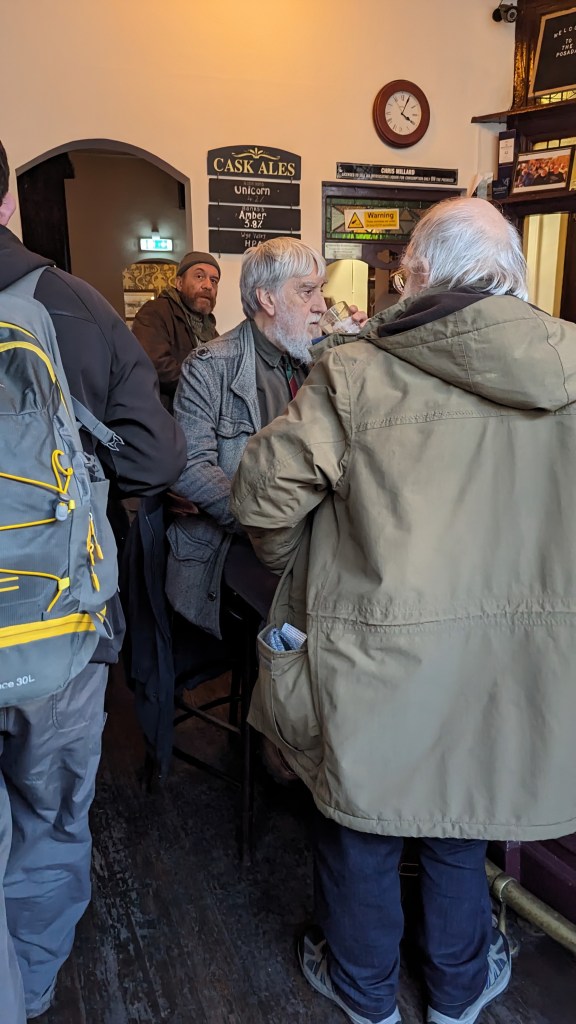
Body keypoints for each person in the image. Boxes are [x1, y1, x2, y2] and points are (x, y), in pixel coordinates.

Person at [230, 196, 576, 1024]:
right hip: (515, 659)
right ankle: (458, 991)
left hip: (376, 647)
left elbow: (261, 497)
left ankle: (364, 991)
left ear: (416, 274)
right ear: (512, 274)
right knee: (464, 817)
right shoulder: (568, 369)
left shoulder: (354, 372)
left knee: (362, 824)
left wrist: (302, 564)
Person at [0, 140, 186, 1024]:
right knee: (49, 819)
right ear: (7, 202)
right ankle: (34, 988)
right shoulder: (72, 302)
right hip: (56, 630)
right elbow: (154, 458)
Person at [166, 235, 366, 639]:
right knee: (312, 614)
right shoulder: (208, 366)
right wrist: (270, 525)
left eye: (321, 290)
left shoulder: (316, 359)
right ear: (267, 299)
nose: (321, 305)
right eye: (307, 291)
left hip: (309, 540)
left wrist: (357, 352)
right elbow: (191, 468)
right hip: (233, 544)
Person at [131, 250, 220, 411]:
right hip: (165, 418)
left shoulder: (209, 327)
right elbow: (156, 365)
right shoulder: (156, 311)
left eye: (214, 280)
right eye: (199, 276)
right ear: (179, 283)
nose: (208, 285)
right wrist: (208, 386)